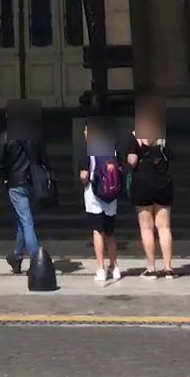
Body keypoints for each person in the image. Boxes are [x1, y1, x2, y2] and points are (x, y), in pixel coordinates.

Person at [0, 103, 51, 275]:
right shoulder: (35, 137)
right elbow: (44, 159)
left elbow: (1, 163)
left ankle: (36, 261)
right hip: (32, 182)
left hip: (15, 183)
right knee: (24, 219)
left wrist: (4, 179)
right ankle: (17, 255)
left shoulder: (5, 137)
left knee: (26, 221)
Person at [127, 107, 175, 277]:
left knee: (146, 228)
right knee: (164, 227)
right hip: (162, 182)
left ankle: (151, 268)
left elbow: (132, 160)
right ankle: (168, 268)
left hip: (143, 183)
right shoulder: (162, 138)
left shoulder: (134, 136)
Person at [80, 118, 122, 285]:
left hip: (94, 194)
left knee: (98, 231)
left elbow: (84, 175)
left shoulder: (88, 151)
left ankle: (100, 269)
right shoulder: (112, 149)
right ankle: (115, 266)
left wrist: (82, 180)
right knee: (110, 232)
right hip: (111, 196)